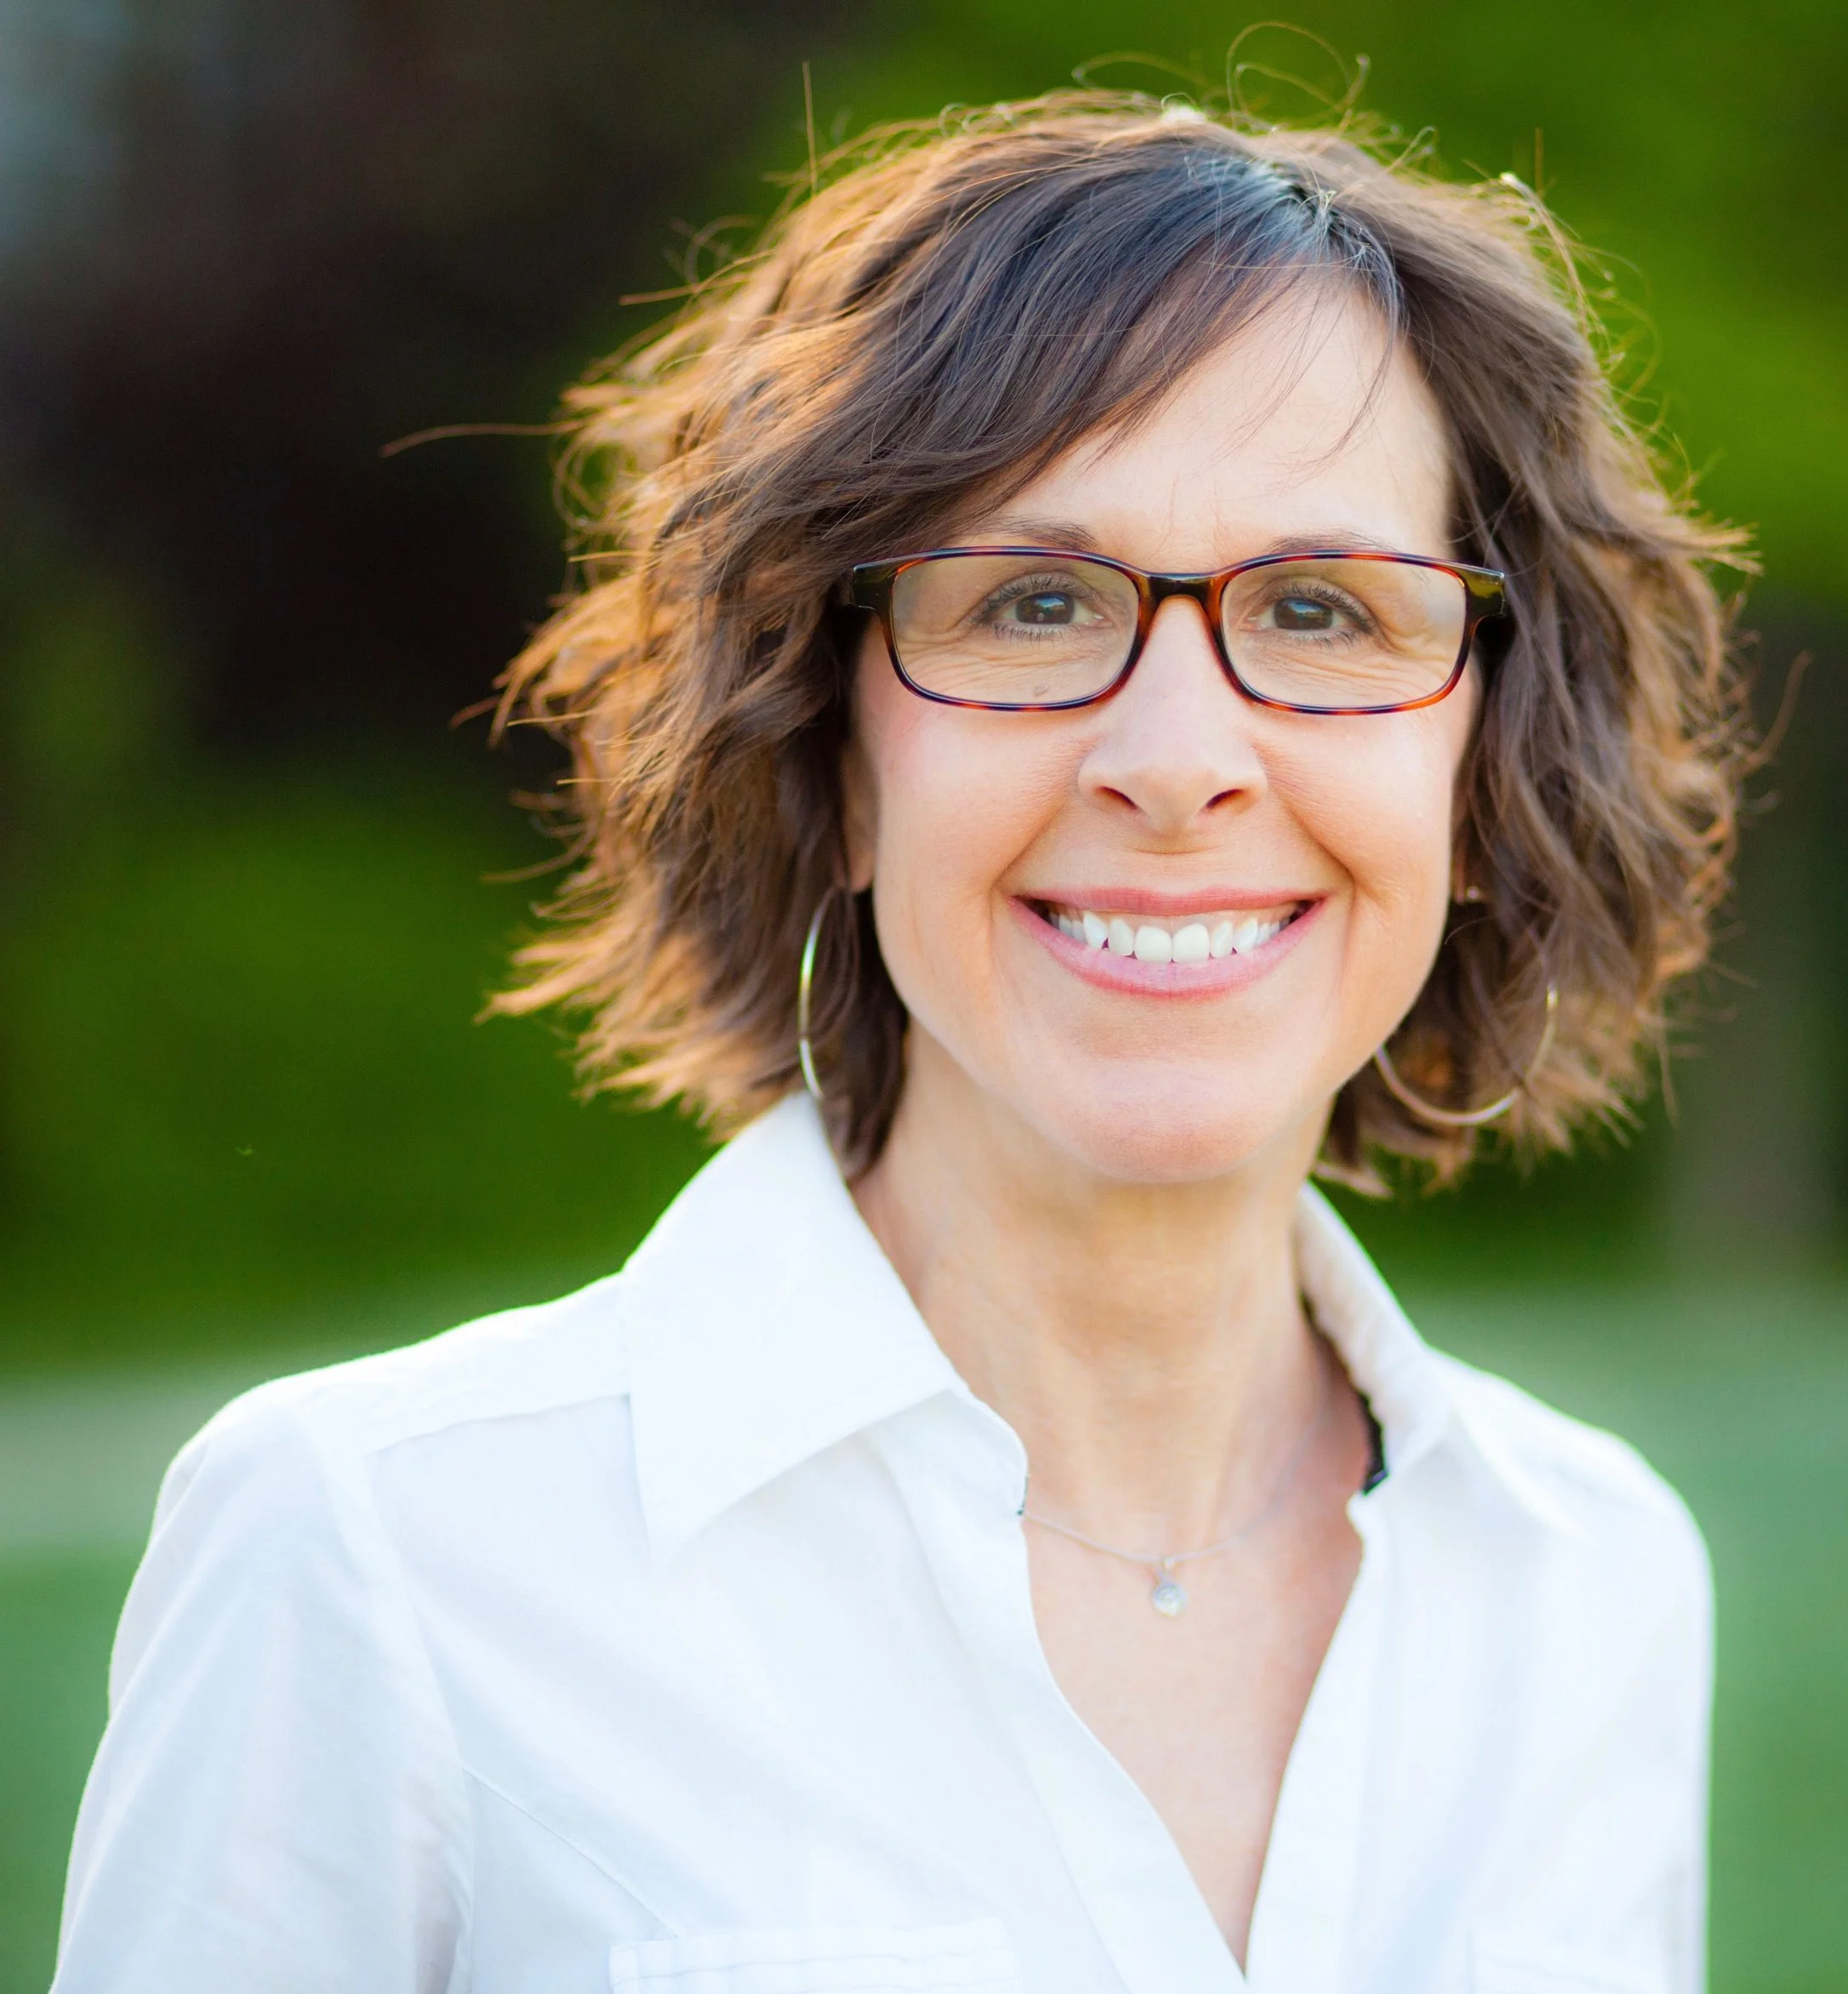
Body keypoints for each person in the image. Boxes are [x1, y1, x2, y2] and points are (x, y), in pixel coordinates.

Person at [54, 91, 1748, 1994]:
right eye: (1032, 603)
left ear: (1476, 758)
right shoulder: (377, 1549)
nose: (1178, 760)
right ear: (828, 756)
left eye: (1319, 605)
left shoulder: (1592, 1579)